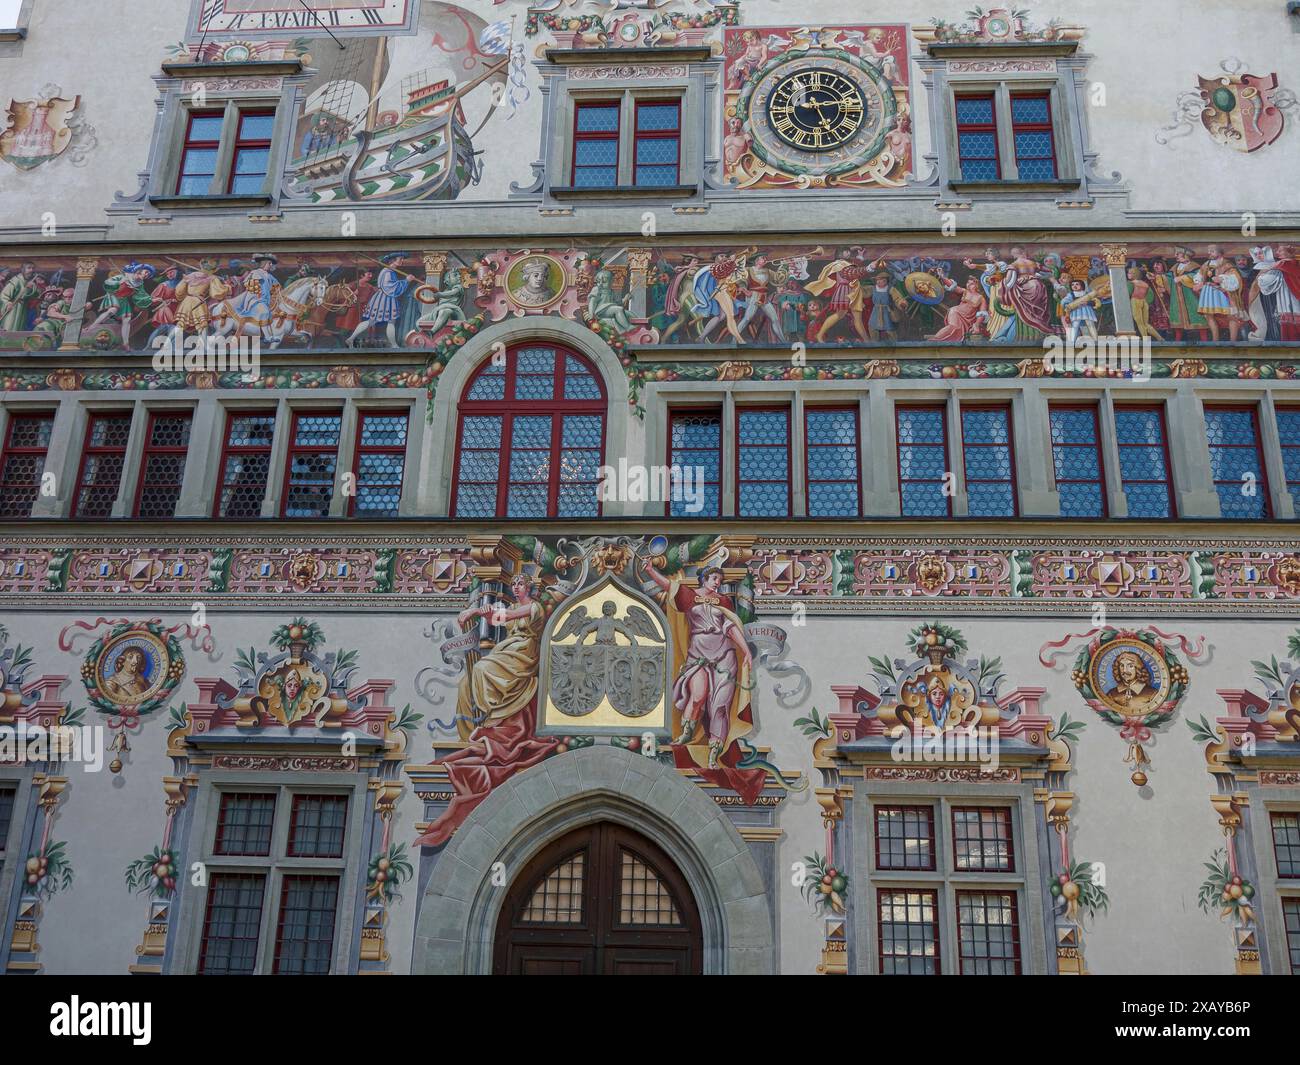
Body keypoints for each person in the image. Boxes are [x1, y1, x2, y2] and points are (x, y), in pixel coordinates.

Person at [412, 574, 557, 848]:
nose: (516, 587)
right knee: (474, 675)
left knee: (481, 669)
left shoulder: (535, 608)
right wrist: (486, 617)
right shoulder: (514, 613)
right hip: (510, 650)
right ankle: (493, 720)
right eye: (513, 584)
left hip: (525, 654)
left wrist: (477, 610)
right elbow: (500, 619)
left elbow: (514, 614)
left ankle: (495, 716)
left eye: (521, 584)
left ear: (530, 588)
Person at [642, 559, 753, 770]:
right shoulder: (691, 596)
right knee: (698, 695)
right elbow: (668, 586)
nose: (717, 583)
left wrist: (746, 650)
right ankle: (686, 733)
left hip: (724, 656)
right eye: (714, 578)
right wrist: (650, 570)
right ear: (704, 579)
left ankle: (713, 754)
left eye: (720, 580)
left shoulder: (724, 602)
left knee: (720, 706)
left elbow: (730, 626)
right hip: (698, 654)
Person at [346, 253, 411, 347]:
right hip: (385, 298)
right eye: (400, 259)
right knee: (385, 321)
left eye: (402, 259)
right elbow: (389, 287)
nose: (402, 261)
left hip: (384, 298)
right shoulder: (388, 272)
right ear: (392, 260)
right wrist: (406, 281)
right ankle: (394, 345)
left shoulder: (390, 271)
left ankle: (351, 338)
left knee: (375, 321)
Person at [0, 262, 39, 332]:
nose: (31, 270)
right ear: (23, 269)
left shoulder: (31, 282)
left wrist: (31, 288)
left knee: (19, 330)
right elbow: (4, 295)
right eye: (29, 268)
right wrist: (8, 303)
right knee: (9, 328)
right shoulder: (15, 281)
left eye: (33, 268)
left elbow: (35, 295)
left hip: (22, 310)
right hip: (12, 309)